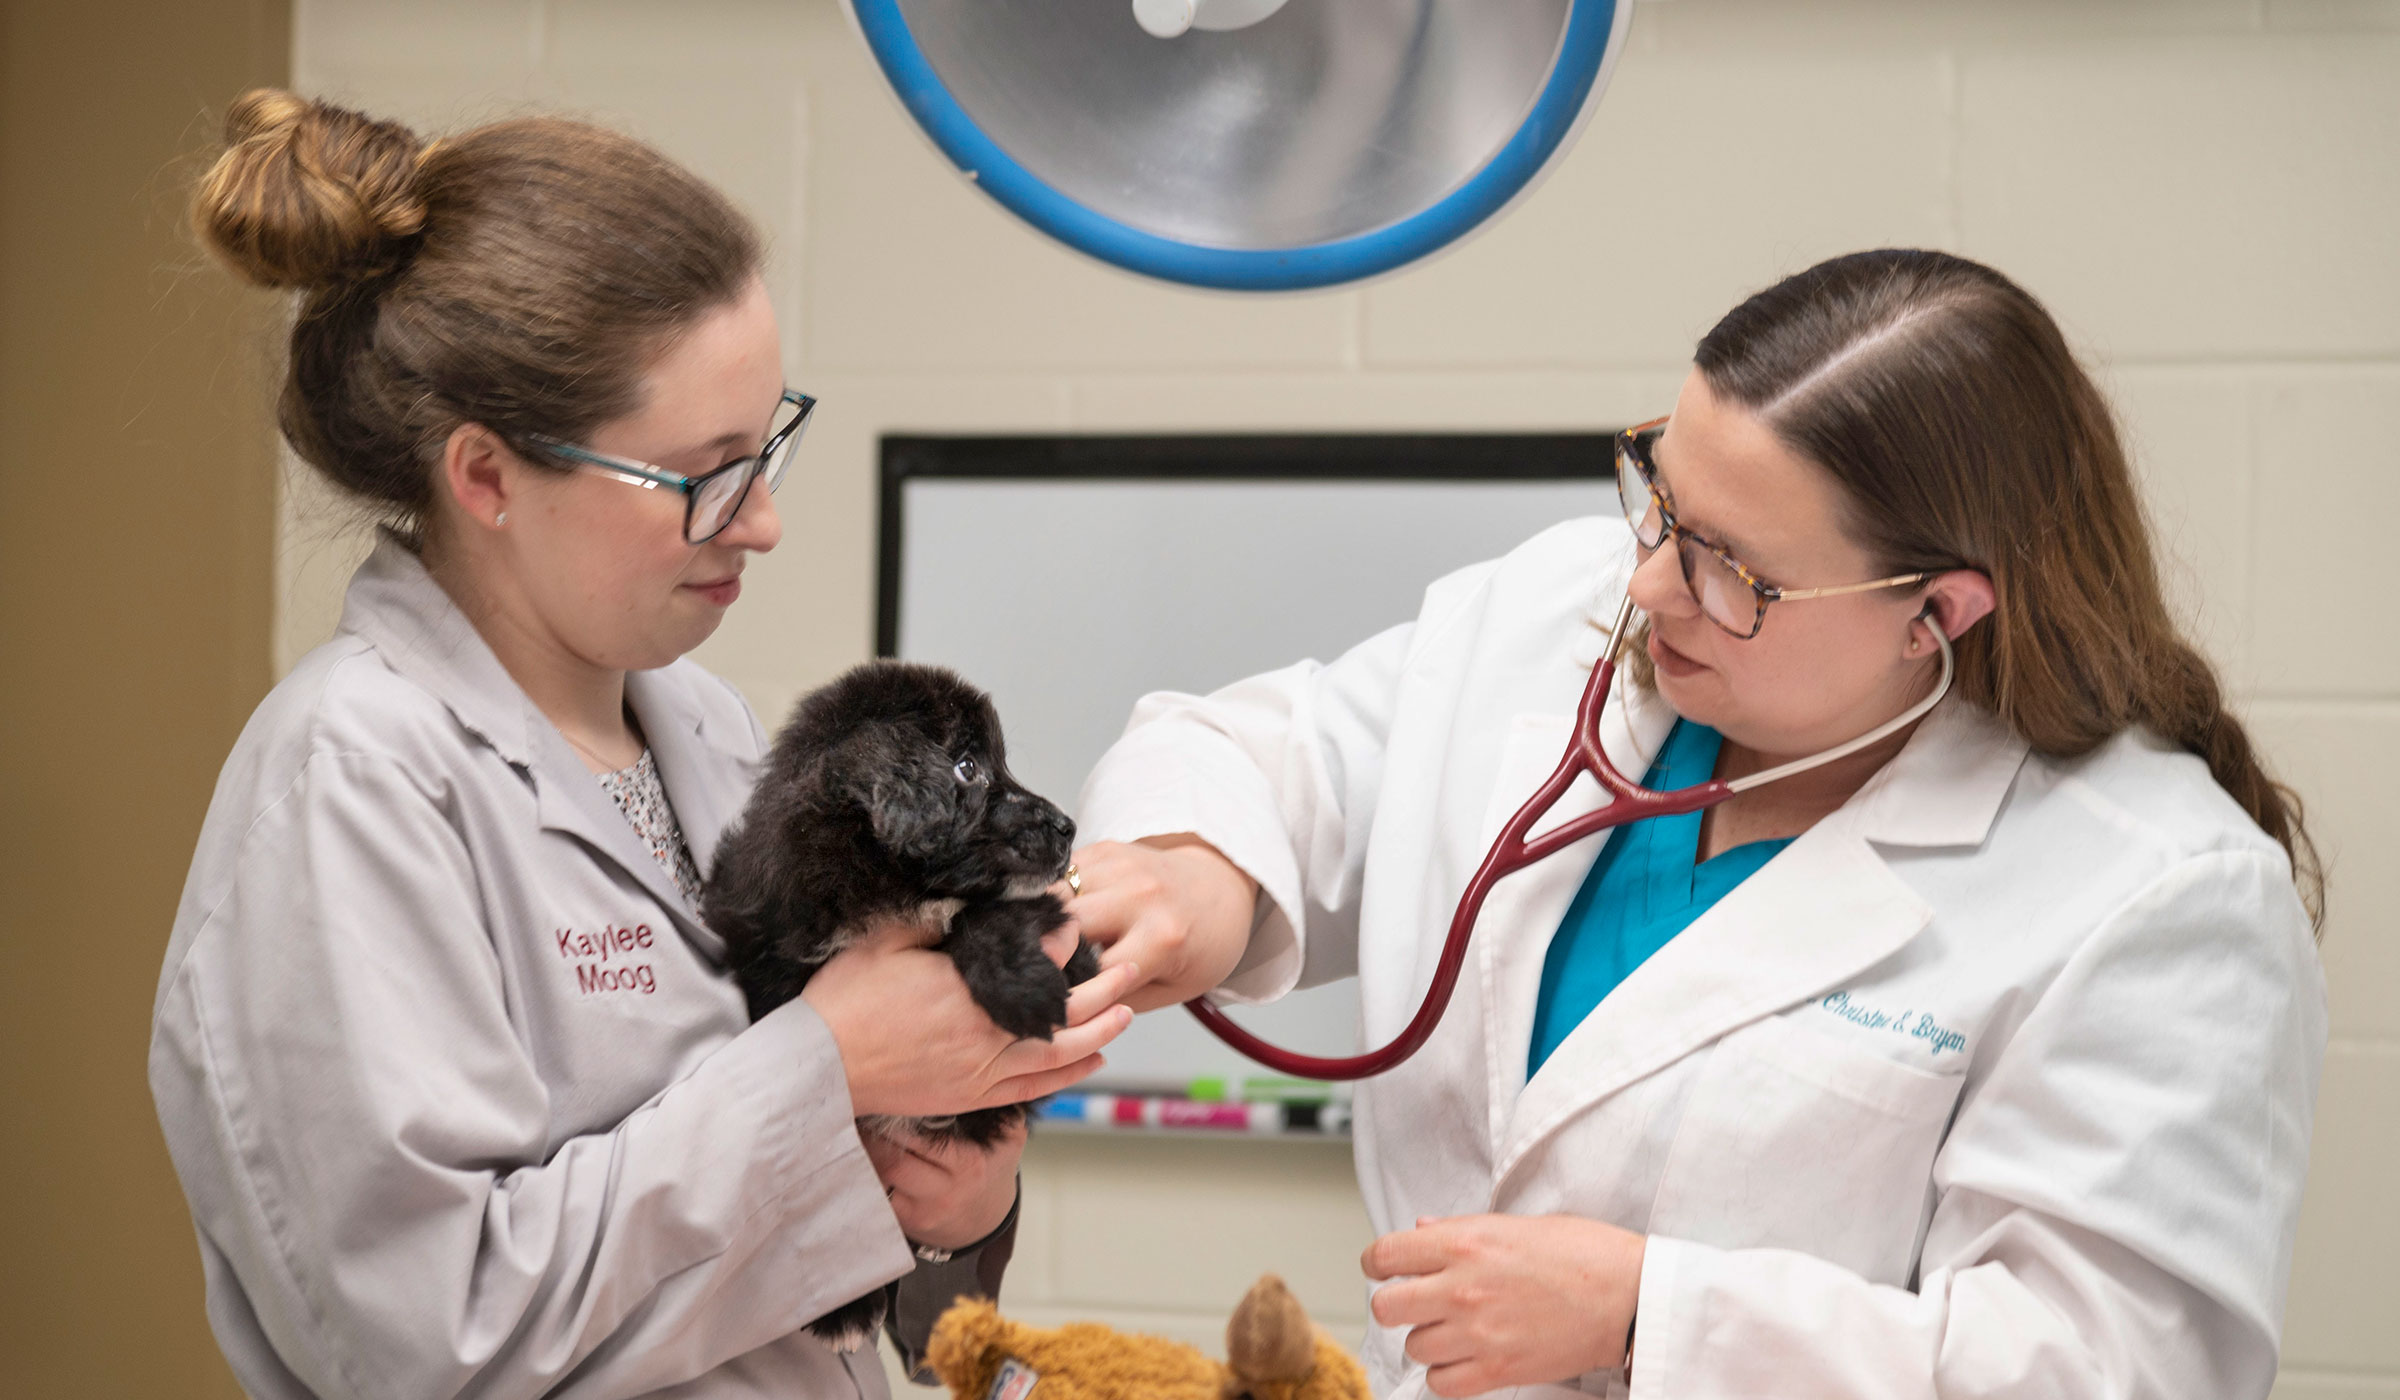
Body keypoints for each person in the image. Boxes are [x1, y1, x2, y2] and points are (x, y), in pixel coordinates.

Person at [1065, 250, 2328, 1400]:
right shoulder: (1558, 621)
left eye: (1737, 569)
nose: (1648, 581)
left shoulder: (2158, 889)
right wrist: (1198, 871)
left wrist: (1650, 1314)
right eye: (1658, 498)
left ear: (1935, 614)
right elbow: (1269, 753)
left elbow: (2120, 1367)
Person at [149, 90, 1134, 1399]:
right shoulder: (355, 780)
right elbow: (432, 1345)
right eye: (704, 473)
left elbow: (817, 1285)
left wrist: (949, 1199)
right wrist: (828, 1066)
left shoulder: (711, 736)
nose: (764, 521)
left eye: (768, 442)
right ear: (488, 477)